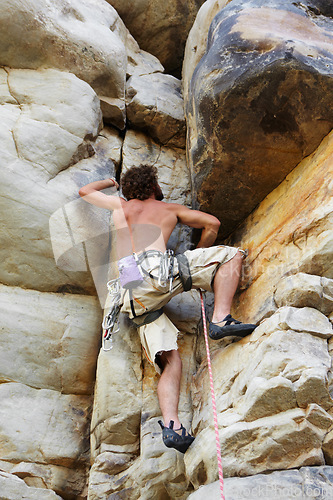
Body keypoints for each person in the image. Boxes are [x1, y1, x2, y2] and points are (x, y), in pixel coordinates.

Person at [79, 165, 256, 453]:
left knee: (171, 362)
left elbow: (84, 191)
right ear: (152, 186)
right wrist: (194, 257)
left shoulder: (119, 205)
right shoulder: (168, 208)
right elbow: (212, 223)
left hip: (130, 292)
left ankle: (172, 426)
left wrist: (111, 182)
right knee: (231, 255)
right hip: (158, 274)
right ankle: (221, 318)